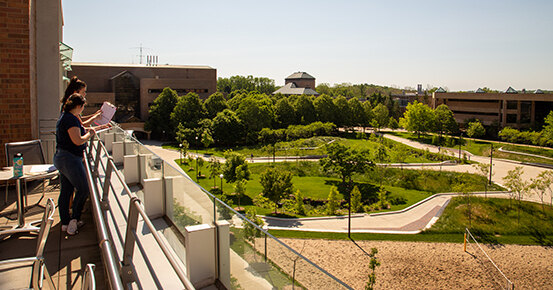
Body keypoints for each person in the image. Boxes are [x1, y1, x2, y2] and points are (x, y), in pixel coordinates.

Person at [54, 93, 107, 235]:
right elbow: (78, 140)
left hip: (62, 157)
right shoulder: (70, 119)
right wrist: (90, 134)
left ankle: (65, 222)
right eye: (83, 107)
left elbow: (82, 127)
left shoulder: (66, 116)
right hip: (70, 159)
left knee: (66, 190)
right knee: (83, 188)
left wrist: (98, 127)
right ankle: (74, 219)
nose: (83, 110)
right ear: (78, 106)